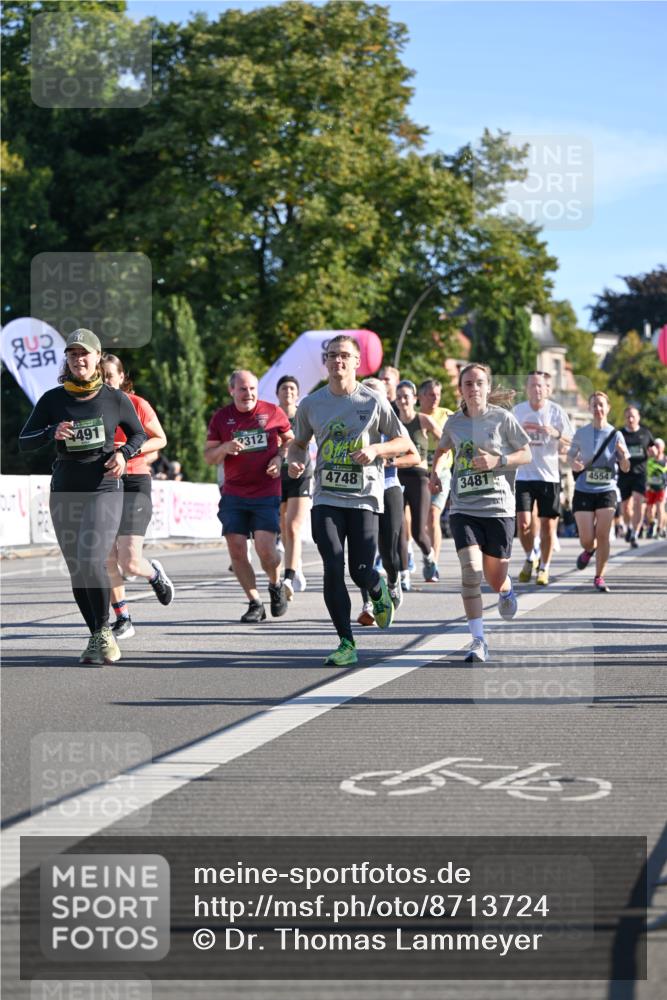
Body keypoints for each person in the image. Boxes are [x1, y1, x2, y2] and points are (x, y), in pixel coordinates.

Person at [19, 329, 146, 665]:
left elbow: (138, 434)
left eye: (84, 354)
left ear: (97, 357)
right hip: (65, 489)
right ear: (68, 360)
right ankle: (96, 635)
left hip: (104, 487)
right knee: (78, 567)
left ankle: (104, 630)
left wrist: (123, 455)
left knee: (92, 558)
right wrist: (51, 432)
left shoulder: (114, 398)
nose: (79, 359)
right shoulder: (53, 399)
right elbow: (25, 440)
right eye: (72, 354)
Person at [288, 335, 411, 666]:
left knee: (359, 569)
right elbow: (298, 442)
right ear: (326, 362)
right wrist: (294, 460)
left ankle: (376, 586)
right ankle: (346, 642)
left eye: (345, 356)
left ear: (357, 362)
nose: (338, 361)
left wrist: (375, 449)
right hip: (326, 496)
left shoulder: (372, 401)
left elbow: (403, 442)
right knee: (332, 563)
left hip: (364, 498)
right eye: (332, 356)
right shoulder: (311, 404)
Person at [430, 363, 531, 663]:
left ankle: (507, 589)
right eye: (468, 384)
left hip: (499, 508)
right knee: (471, 574)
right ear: (460, 390)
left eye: (479, 383)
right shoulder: (453, 423)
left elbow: (526, 453)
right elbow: (441, 450)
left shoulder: (502, 418)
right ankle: (478, 640)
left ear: (488, 387)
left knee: (495, 578)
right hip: (464, 508)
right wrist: (434, 473)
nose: (474, 388)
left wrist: (497, 461)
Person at [205, 370, 292, 622]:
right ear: (232, 390)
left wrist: (279, 457)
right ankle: (255, 602)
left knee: (266, 550)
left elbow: (291, 440)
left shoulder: (273, 412)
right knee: (236, 549)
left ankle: (275, 585)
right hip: (234, 493)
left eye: (253, 388)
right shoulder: (222, 418)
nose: (249, 394)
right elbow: (209, 456)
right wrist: (224, 447)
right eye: (242, 389)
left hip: (266, 491)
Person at [101, 354, 174, 640]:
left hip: (134, 481)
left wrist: (126, 449)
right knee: (107, 557)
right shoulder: (90, 407)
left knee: (130, 562)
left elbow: (160, 439)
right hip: (104, 484)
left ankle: (154, 574)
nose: (106, 381)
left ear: (121, 377)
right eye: (101, 375)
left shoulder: (137, 404)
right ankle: (123, 618)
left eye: (110, 375)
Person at [357, 377, 420, 625]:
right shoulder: (354, 423)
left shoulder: (392, 425)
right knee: (364, 550)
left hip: (388, 487)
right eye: (368, 392)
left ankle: (393, 582)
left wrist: (389, 461)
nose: (372, 397)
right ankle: (368, 603)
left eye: (378, 393)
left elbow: (414, 456)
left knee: (389, 550)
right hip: (362, 492)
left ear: (386, 398)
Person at [513, 371, 573, 586]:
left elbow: (570, 439)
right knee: (524, 523)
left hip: (549, 476)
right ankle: (531, 556)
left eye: (541, 386)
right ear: (527, 388)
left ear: (548, 389)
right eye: (533, 385)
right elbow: (505, 437)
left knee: (548, 526)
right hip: (524, 475)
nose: (537, 389)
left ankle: (544, 567)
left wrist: (556, 434)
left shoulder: (556, 412)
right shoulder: (518, 411)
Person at [568, 391, 631, 593]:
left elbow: (626, 467)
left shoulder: (616, 435)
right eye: (594, 405)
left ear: (608, 408)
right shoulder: (581, 433)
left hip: (607, 490)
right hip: (584, 490)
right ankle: (588, 550)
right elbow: (570, 458)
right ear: (589, 408)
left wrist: (622, 457)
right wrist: (574, 464)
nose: (598, 409)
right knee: (587, 538)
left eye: (601, 405)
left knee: (603, 534)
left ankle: (599, 577)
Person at [395, 379, 442, 581]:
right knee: (399, 528)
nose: (403, 401)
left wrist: (437, 469)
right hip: (396, 477)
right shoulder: (392, 421)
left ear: (414, 398)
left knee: (417, 530)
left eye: (406, 396)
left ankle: (429, 557)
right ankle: (404, 573)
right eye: (399, 397)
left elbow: (446, 443)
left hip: (419, 476)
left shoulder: (423, 420)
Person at [275, 374, 312, 599]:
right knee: (282, 526)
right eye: (284, 389)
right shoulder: (270, 416)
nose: (288, 392)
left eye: (292, 389)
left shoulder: (304, 415)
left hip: (301, 474)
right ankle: (295, 563)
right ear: (277, 393)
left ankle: (288, 576)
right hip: (278, 477)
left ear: (297, 394)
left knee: (293, 526)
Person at [418, 378, 453, 574]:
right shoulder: (414, 416)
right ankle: (422, 553)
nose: (435, 398)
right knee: (416, 521)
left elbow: (455, 440)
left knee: (433, 516)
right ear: (421, 396)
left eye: (438, 394)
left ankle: (434, 564)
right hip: (419, 473)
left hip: (441, 473)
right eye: (431, 394)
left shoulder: (447, 415)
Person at [618, 406, 656, 548]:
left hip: (640, 473)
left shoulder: (645, 433)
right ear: (625, 418)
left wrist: (653, 451)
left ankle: (635, 532)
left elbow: (653, 448)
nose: (631, 419)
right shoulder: (620, 434)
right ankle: (628, 527)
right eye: (628, 416)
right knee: (626, 507)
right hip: (624, 473)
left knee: (638, 502)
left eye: (633, 416)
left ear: (638, 417)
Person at [645, 437, 666, 538]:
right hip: (650, 488)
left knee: (660, 507)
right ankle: (652, 524)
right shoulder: (649, 460)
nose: (656, 448)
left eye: (658, 446)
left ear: (663, 448)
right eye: (655, 446)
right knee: (649, 509)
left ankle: (660, 529)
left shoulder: (665, 460)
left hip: (662, 488)